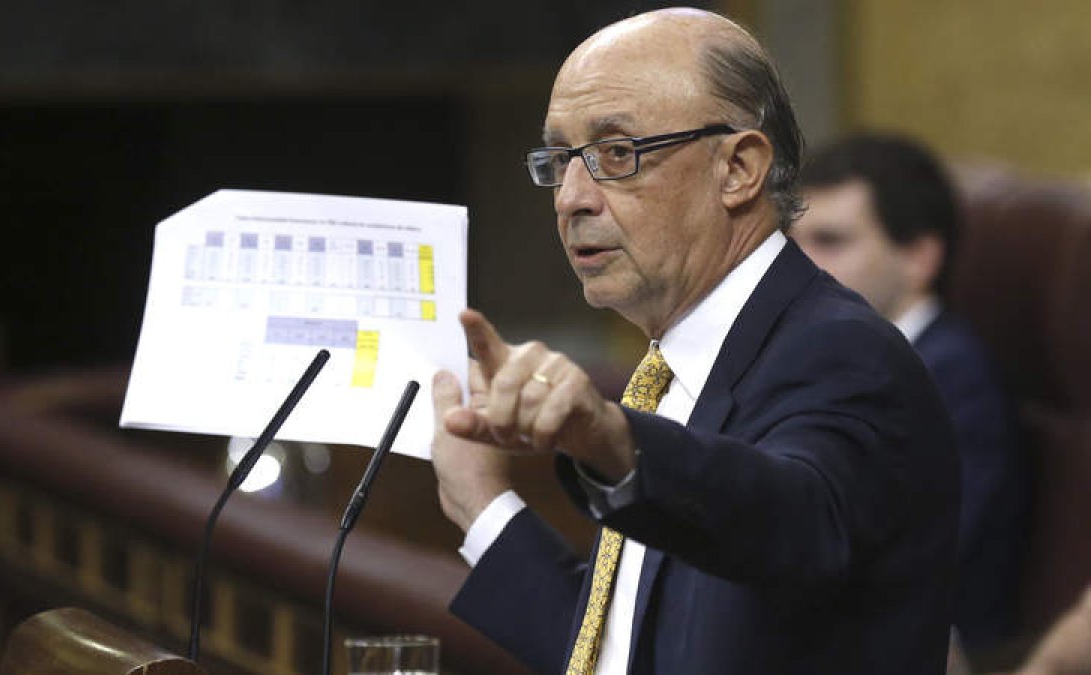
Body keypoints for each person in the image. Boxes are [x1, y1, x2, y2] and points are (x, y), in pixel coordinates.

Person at [429, 8, 958, 675]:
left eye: (615, 153)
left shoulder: (842, 355)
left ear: (738, 168)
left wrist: (615, 442)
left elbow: (791, 519)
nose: (569, 197)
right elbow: (627, 649)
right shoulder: (673, 366)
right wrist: (481, 504)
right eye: (561, 160)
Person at [792, 133, 1030, 649]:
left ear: (919, 257)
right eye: (795, 242)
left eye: (830, 241)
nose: (798, 265)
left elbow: (909, 568)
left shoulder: (950, 378)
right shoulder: (835, 363)